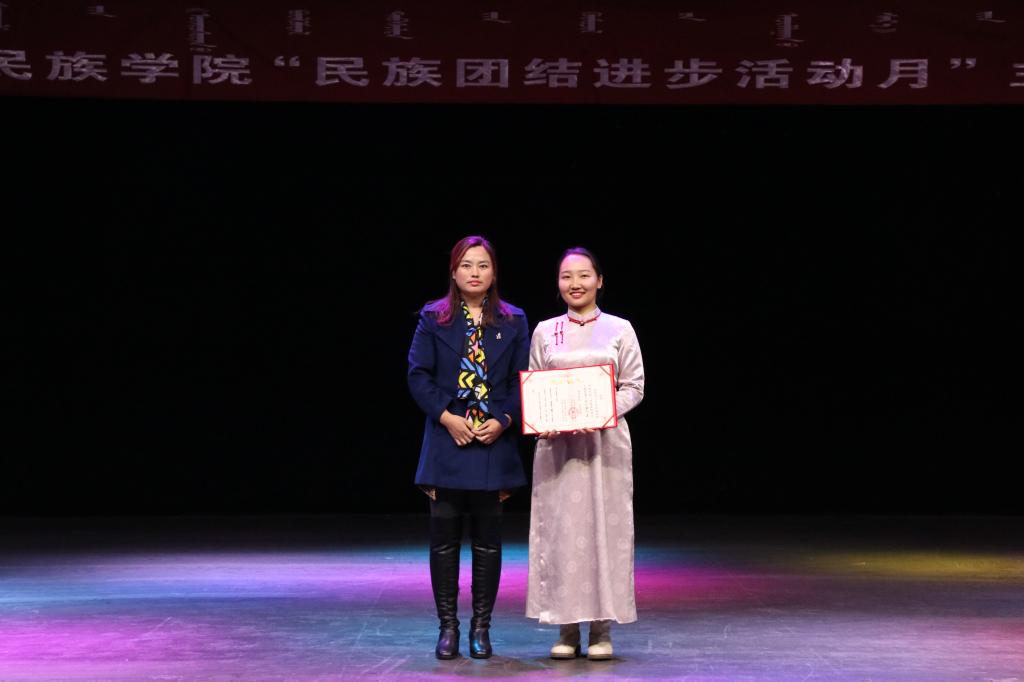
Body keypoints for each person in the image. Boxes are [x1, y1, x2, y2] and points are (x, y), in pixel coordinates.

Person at [407, 235, 530, 659]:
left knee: (488, 542)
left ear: (494, 273)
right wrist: (447, 417)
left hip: (492, 440)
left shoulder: (513, 320)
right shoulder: (433, 317)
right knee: (443, 540)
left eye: (483, 265)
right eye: (466, 265)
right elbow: (418, 375)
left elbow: (522, 380)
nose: (474, 273)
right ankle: (448, 627)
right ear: (454, 271)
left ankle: (481, 627)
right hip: (448, 438)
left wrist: (504, 420)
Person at [525, 246, 645, 660]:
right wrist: (545, 418)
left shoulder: (619, 329)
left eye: (583, 275)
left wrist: (601, 412)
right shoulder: (545, 331)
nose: (575, 284)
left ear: (599, 280)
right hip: (558, 448)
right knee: (561, 533)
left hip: (604, 445)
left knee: (604, 533)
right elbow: (536, 386)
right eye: (566, 277)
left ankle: (600, 629)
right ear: (558, 284)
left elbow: (634, 386)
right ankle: (565, 628)